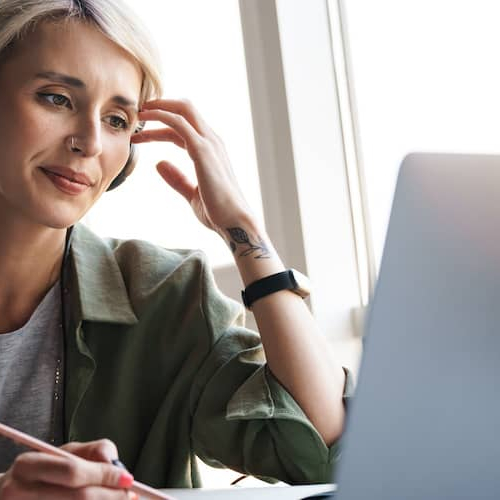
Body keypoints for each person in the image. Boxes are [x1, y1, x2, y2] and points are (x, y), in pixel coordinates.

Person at [0, 0, 350, 497]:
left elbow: (320, 452)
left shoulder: (163, 292)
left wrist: (243, 229)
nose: (91, 142)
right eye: (57, 98)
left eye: (119, 119)